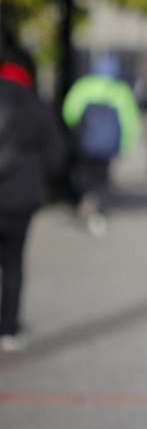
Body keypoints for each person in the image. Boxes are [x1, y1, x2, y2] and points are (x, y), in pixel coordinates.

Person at [0, 57, 65, 352]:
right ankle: (8, 330)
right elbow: (55, 157)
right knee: (13, 263)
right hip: (21, 197)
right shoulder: (37, 107)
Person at [62, 54, 141, 236]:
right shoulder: (121, 90)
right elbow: (130, 121)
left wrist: (77, 130)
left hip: (87, 143)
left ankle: (88, 198)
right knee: (103, 178)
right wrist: (126, 145)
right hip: (108, 146)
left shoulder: (84, 86)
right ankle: (99, 210)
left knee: (86, 175)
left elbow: (69, 113)